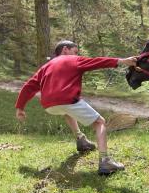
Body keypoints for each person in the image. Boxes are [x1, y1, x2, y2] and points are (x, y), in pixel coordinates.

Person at [15, 40, 137, 175]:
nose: (77, 54)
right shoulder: (72, 60)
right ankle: (105, 161)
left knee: (67, 111)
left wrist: (20, 107)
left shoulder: (46, 66)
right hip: (67, 98)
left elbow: (29, 86)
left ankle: (81, 140)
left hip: (49, 105)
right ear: (65, 49)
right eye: (75, 51)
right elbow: (97, 62)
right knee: (99, 122)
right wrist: (122, 61)